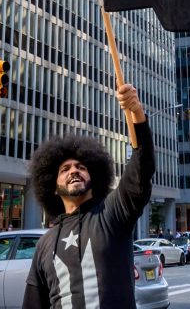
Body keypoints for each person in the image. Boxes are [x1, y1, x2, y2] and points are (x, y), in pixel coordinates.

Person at [22, 83, 154, 309]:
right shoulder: (44, 243)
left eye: (81, 167)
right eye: (65, 170)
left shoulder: (112, 214)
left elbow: (140, 171)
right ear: (52, 187)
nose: (74, 170)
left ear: (94, 177)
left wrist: (137, 114)